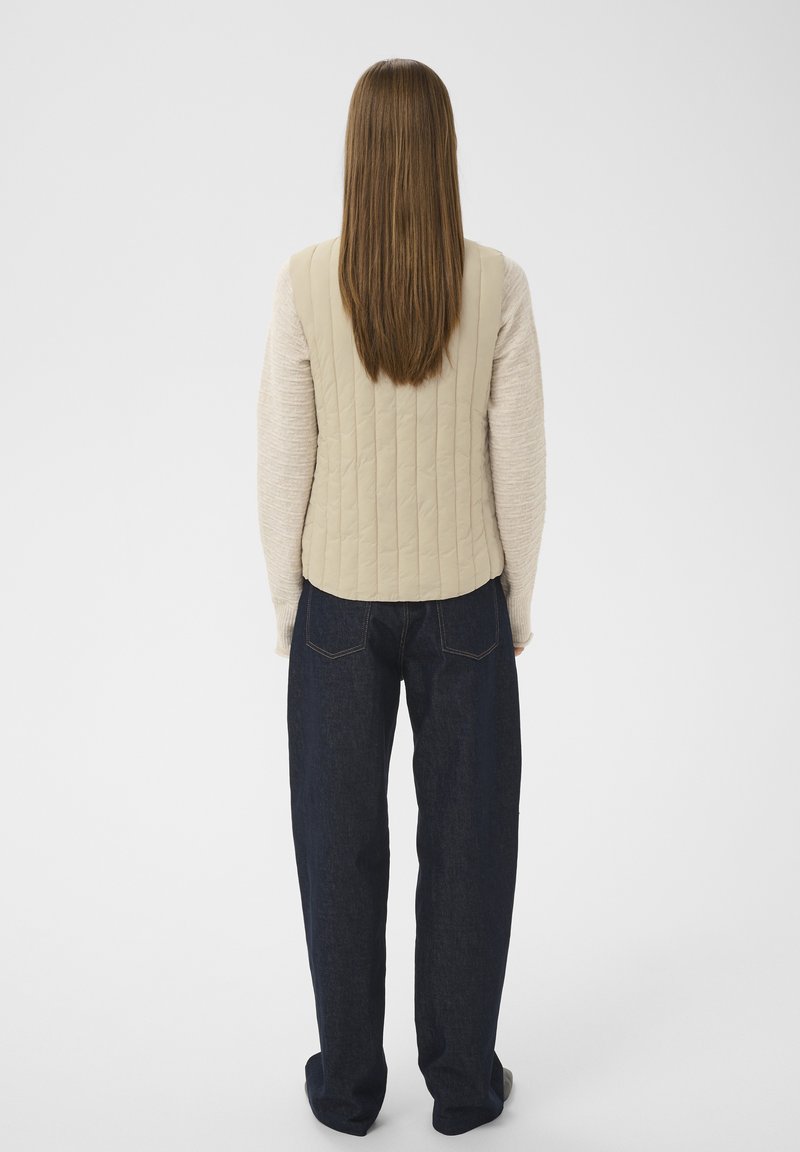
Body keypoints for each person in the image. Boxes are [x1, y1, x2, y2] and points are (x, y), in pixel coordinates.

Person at [256, 57, 546, 1137]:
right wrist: (513, 606)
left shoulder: (303, 283)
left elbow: (284, 459)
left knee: (338, 846)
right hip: (464, 601)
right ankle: (463, 1086)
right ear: (443, 153)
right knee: (469, 843)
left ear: (356, 155)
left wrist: (288, 606)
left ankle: (345, 1089)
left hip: (336, 604)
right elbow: (519, 466)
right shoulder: (498, 284)